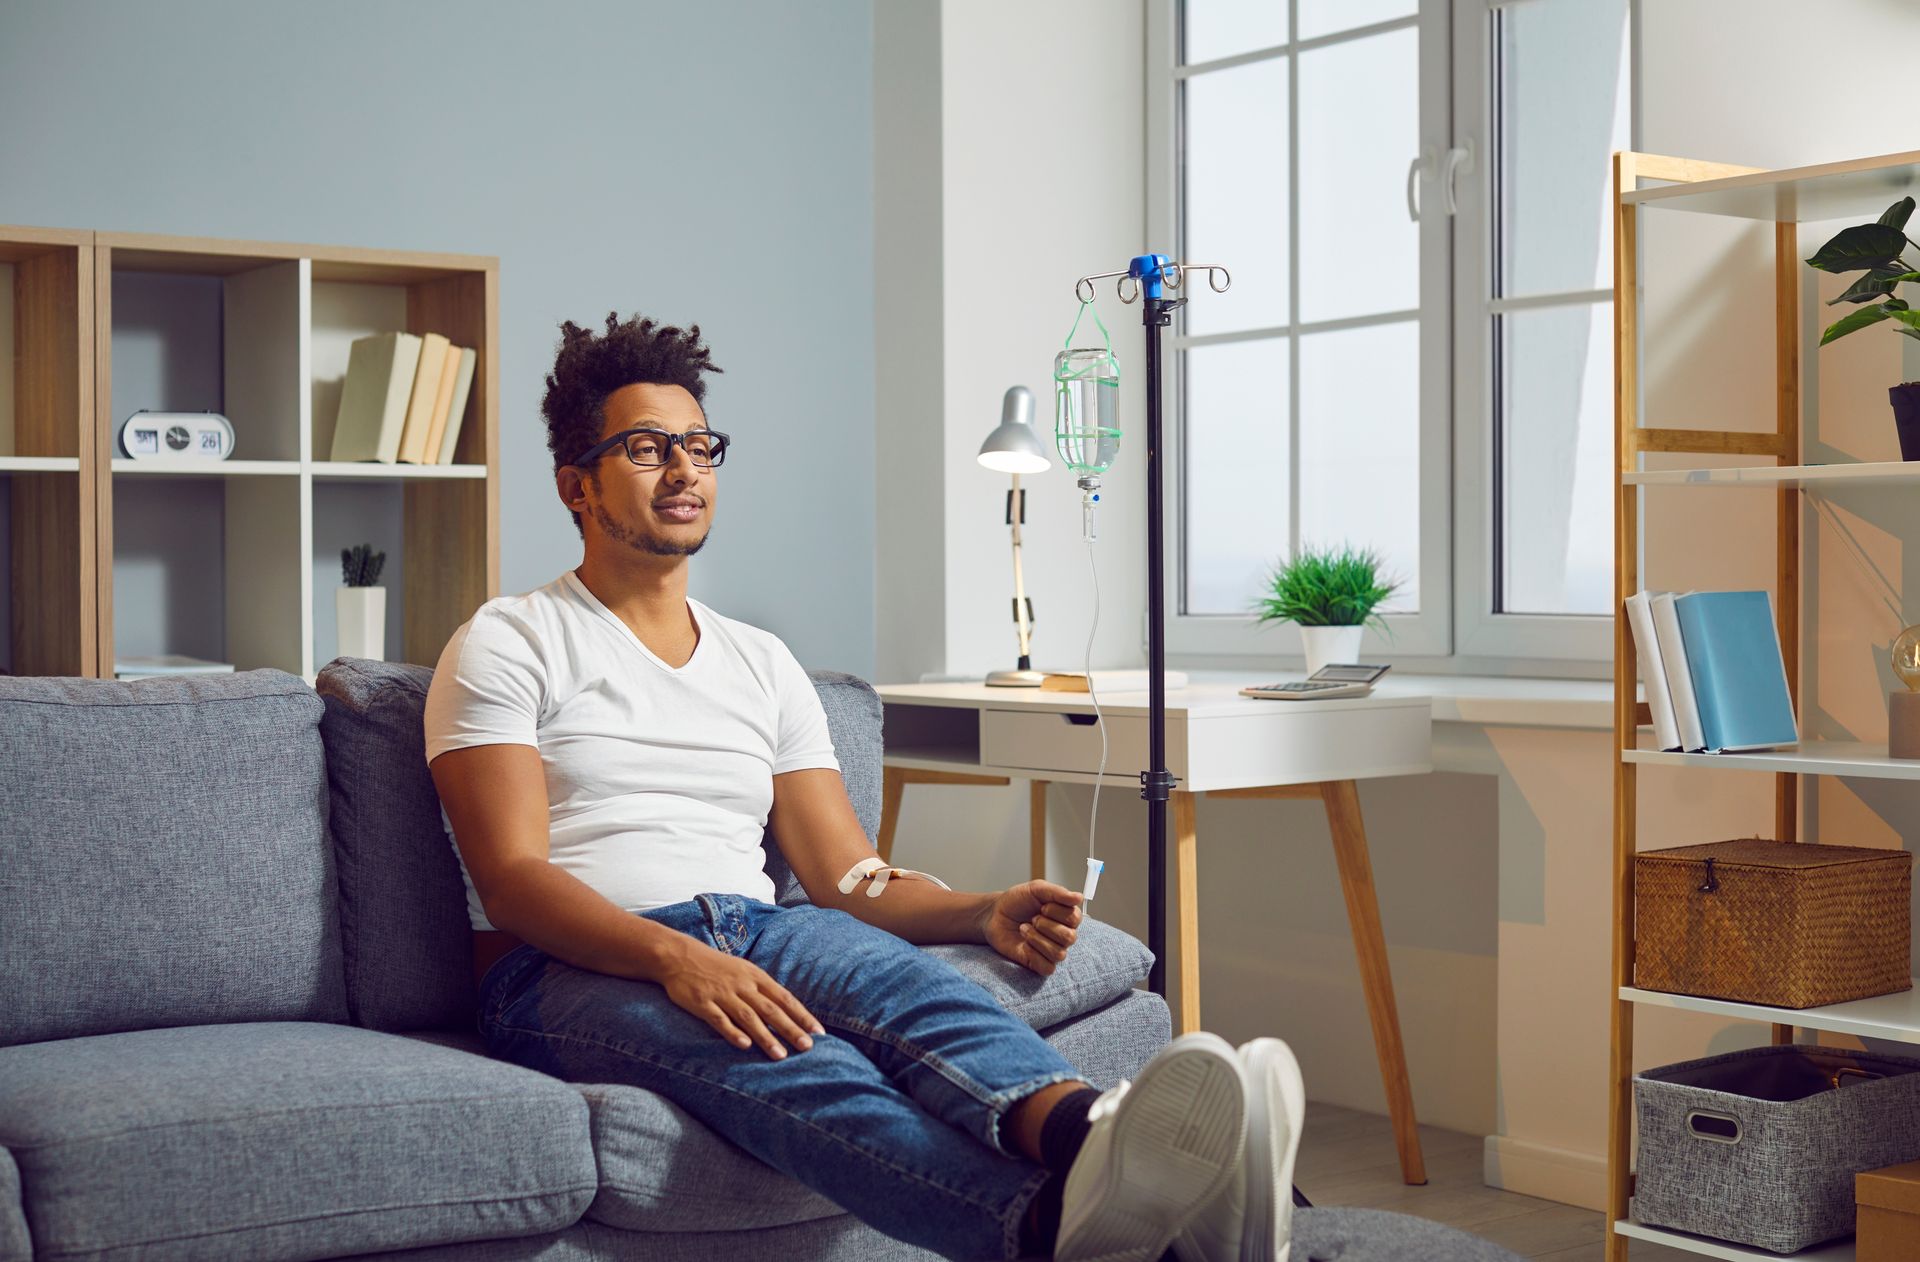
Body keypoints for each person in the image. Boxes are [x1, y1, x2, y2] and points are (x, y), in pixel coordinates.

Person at [424, 313, 1306, 1261]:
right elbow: (512, 878)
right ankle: (1050, 1229)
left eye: (698, 445)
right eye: (646, 448)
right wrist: (672, 959)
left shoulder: (761, 663)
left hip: (760, 926)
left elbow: (846, 875)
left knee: (920, 998)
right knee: (801, 1062)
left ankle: (1111, 1144)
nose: (683, 470)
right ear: (577, 485)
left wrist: (979, 911)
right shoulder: (509, 640)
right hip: (566, 968)